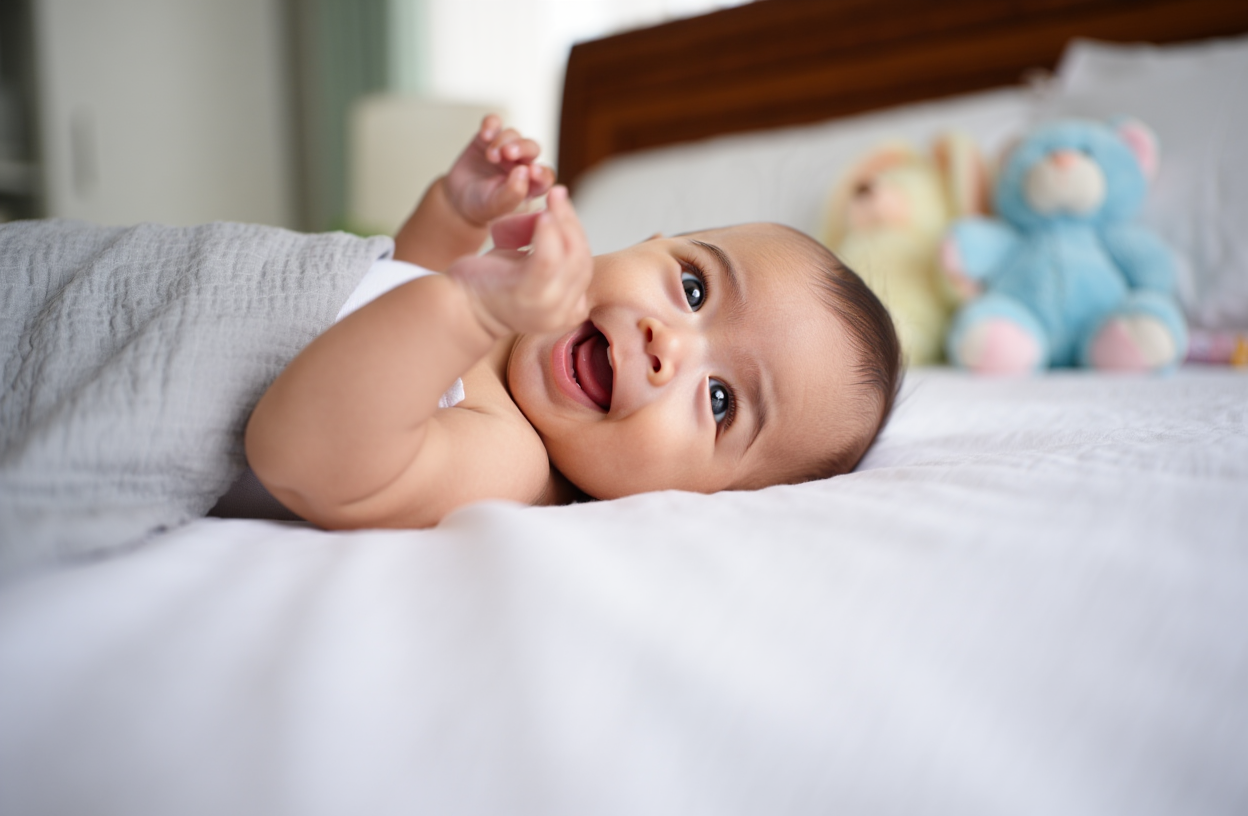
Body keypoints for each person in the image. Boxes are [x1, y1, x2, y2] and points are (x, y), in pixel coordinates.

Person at [243, 116, 902, 528]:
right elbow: (385, 296)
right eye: (694, 287)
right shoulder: (505, 313)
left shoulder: (509, 460)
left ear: (704, 495)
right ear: (649, 240)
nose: (666, 341)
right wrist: (450, 218)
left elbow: (305, 456)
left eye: (722, 399)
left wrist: (469, 310)